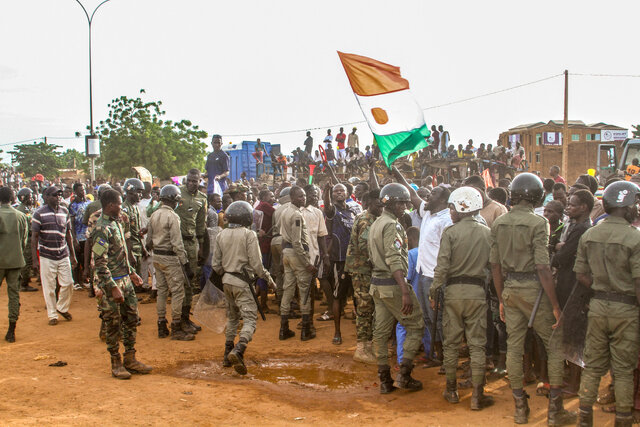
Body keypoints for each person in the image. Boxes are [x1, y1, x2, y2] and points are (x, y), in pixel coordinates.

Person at [490, 173, 575, 425]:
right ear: (537, 196)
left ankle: (519, 407)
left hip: (510, 289)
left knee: (514, 348)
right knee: (554, 344)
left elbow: (495, 266)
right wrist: (556, 305)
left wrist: (502, 299)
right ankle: (555, 410)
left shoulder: (499, 223)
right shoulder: (539, 223)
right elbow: (542, 266)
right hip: (534, 290)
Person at [574, 181, 640, 427]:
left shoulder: (590, 233)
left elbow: (580, 274)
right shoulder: (635, 238)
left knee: (592, 367)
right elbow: (638, 282)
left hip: (598, 307)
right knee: (623, 370)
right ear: (627, 205)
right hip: (626, 310)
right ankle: (622, 420)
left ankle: (584, 419)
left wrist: (602, 287)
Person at [431, 186, 494, 410]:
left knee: (451, 345)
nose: (450, 211)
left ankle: (452, 390)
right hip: (477, 293)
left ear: (462, 206)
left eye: (452, 207)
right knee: (478, 345)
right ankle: (477, 396)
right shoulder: (488, 232)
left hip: (454, 293)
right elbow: (492, 266)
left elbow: (442, 267)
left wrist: (434, 292)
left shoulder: (451, 232)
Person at [368, 183, 424, 394]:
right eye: (401, 202)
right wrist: (404, 291)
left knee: (381, 333)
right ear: (390, 202)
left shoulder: (376, 223)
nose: (405, 207)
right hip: (392, 285)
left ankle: (384, 380)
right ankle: (405, 375)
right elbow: (394, 259)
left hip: (378, 285)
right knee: (416, 325)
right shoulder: (392, 225)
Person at [393, 166, 451, 364]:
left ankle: (444, 358)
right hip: (423, 275)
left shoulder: (447, 220)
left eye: (433, 193)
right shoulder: (428, 213)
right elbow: (412, 194)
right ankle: (434, 355)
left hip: (436, 277)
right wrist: (397, 174)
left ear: (442, 200)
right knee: (428, 318)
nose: (428, 197)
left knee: (439, 319)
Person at [92, 188, 152, 379]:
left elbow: (121, 255)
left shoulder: (117, 223)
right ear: (110, 205)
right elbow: (99, 262)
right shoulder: (102, 228)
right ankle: (115, 363)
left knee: (132, 318)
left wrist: (132, 273)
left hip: (125, 281)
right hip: (113, 285)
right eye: (119, 203)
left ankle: (130, 358)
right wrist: (112, 287)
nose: (121, 206)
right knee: (113, 324)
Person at [212, 201, 276, 375]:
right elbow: (257, 265)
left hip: (227, 281)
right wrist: (269, 280)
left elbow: (216, 265)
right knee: (249, 320)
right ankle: (239, 350)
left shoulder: (221, 234)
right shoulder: (249, 235)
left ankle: (227, 353)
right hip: (243, 283)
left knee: (232, 318)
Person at [146, 184, 195, 341]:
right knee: (177, 292)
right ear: (174, 200)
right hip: (170, 257)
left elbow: (148, 241)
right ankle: (176, 326)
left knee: (161, 291)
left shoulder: (154, 215)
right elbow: (177, 243)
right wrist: (185, 263)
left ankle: (161, 324)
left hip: (157, 256)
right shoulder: (173, 217)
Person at [344, 188, 383, 364]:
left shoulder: (370, 218)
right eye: (378, 204)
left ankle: (367, 347)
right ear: (370, 203)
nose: (381, 207)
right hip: (362, 270)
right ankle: (362, 349)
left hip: (363, 270)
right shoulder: (367, 220)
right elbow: (365, 247)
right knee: (365, 307)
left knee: (368, 307)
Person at [32, 186, 78, 326]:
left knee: (68, 283)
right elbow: (34, 238)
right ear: (46, 197)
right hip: (47, 255)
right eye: (54, 195)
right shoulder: (38, 214)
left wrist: (73, 255)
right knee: (49, 287)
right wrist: (35, 259)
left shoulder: (65, 211)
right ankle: (52, 315)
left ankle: (61, 308)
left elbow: (68, 234)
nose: (57, 197)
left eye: (59, 195)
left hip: (63, 253)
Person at [323, 180, 361, 345]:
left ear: (347, 193)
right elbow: (327, 205)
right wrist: (326, 191)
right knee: (338, 296)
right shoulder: (332, 211)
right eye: (336, 191)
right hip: (339, 260)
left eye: (341, 191)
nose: (339, 193)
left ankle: (361, 330)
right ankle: (337, 332)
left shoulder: (353, 212)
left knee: (358, 296)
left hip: (356, 260)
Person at [279, 186, 317, 341]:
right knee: (305, 291)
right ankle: (306, 330)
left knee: (288, 289)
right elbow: (297, 242)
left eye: (304, 196)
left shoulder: (285, 211)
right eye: (300, 196)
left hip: (287, 254)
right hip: (296, 254)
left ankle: (284, 329)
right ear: (292, 197)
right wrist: (307, 262)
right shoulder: (296, 215)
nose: (304, 198)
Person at [175, 169, 207, 334]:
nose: (193, 183)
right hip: (177, 244)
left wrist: (201, 247)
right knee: (180, 282)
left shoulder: (202, 199)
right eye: (190, 180)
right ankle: (178, 320)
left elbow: (201, 225)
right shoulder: (177, 194)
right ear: (186, 180)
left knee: (190, 280)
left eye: (196, 181)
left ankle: (186, 318)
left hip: (192, 243)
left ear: (200, 181)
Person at [0, 187, 28, 342]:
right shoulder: (21, 216)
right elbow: (24, 241)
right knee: (14, 295)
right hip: (16, 261)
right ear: (12, 198)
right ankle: (11, 330)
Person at [121, 178, 147, 290]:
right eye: (138, 192)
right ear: (130, 192)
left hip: (137, 247)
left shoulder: (135, 208)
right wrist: (130, 254)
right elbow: (124, 234)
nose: (141, 195)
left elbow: (136, 231)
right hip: (129, 248)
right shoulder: (124, 209)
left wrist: (143, 248)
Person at [254, 189, 276, 314]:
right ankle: (263, 304)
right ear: (263, 197)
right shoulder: (265, 206)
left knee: (261, 273)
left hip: (262, 243)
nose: (273, 198)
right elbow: (278, 214)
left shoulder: (259, 206)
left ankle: (257, 299)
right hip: (265, 244)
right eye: (271, 196)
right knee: (264, 273)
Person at [15, 187, 37, 292]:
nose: (32, 198)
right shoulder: (22, 209)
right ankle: (24, 284)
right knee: (26, 261)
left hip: (29, 238)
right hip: (26, 239)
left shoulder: (27, 208)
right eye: (30, 197)